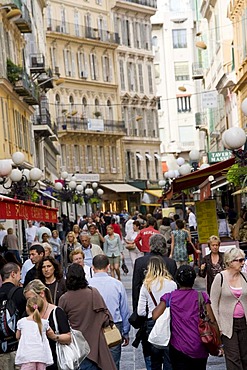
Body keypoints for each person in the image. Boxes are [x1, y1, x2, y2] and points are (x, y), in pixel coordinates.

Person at [153, 265, 220, 370]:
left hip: (178, 348)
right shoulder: (202, 296)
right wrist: (218, 345)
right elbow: (212, 321)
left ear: (177, 280)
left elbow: (155, 315)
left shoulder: (170, 297)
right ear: (193, 280)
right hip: (200, 347)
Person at [59, 264, 117, 370]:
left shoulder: (64, 299)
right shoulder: (93, 293)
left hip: (76, 347)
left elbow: (60, 323)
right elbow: (106, 319)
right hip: (96, 345)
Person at [89, 255, 130, 370]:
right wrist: (125, 331)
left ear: (93, 267)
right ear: (108, 267)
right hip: (113, 326)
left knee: (94, 362)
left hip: (93, 327)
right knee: (113, 362)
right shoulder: (117, 284)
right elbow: (124, 310)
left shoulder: (88, 285)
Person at [137, 256, 177, 370]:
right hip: (169, 323)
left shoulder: (146, 285)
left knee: (154, 359)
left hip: (152, 323)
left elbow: (140, 311)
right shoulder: (172, 284)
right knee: (169, 358)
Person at [211, 248, 247, 370]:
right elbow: (213, 304)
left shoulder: (245, 277)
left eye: (243, 260)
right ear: (231, 262)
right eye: (240, 260)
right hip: (227, 325)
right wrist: (218, 326)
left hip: (244, 322)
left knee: (245, 357)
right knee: (233, 358)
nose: (243, 263)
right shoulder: (220, 278)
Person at [24, 279, 71, 370]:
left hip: (56, 361)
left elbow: (69, 338)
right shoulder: (28, 314)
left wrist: (54, 336)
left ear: (42, 294)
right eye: (27, 300)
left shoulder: (57, 312)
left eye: (31, 298)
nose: (29, 302)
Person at [132, 233, 177, 310]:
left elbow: (136, 287)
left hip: (147, 306)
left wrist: (136, 309)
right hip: (167, 307)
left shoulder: (140, 262)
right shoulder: (171, 263)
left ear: (150, 245)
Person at [15, 295, 54, 369]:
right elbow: (51, 333)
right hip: (41, 356)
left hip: (27, 356)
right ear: (42, 309)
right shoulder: (44, 322)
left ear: (27, 308)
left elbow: (17, 336)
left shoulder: (22, 322)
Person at [0, 263, 26, 370]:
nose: (20, 278)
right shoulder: (20, 293)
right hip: (17, 345)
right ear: (13, 274)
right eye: (19, 274)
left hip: (2, 348)